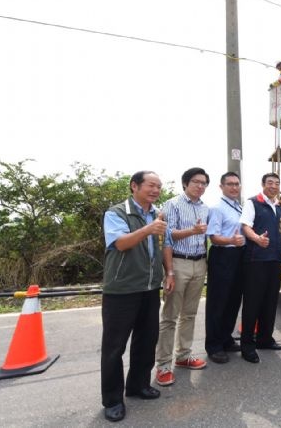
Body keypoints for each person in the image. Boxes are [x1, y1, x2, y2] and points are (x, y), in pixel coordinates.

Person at [100, 171, 169, 423]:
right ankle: (112, 400)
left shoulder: (156, 213)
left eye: (159, 187)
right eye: (151, 185)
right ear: (134, 186)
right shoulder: (117, 213)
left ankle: (138, 385)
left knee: (146, 340)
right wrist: (149, 229)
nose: (155, 190)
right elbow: (120, 243)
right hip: (122, 289)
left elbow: (162, 246)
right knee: (114, 347)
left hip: (150, 288)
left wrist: (168, 273)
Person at [155, 168, 210, 387]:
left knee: (190, 313)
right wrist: (169, 271)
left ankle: (184, 355)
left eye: (204, 183)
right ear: (186, 183)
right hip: (178, 262)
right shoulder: (173, 204)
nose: (200, 186)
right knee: (170, 316)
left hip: (200, 262)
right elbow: (168, 237)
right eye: (196, 182)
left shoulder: (205, 208)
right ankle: (163, 365)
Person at [239, 173, 281, 363]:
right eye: (270, 183)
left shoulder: (277, 207)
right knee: (253, 304)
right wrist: (257, 238)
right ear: (263, 184)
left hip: (274, 260)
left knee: (270, 301)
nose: (273, 186)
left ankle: (265, 339)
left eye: (276, 183)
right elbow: (245, 227)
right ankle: (247, 345)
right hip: (256, 260)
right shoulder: (252, 203)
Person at [205, 171, 246, 364]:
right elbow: (213, 237)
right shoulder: (217, 208)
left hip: (239, 256)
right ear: (221, 187)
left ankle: (226, 338)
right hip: (223, 255)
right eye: (230, 184)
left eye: (237, 184)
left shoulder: (238, 207)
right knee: (218, 302)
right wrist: (231, 240)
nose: (234, 187)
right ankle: (213, 345)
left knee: (233, 301)